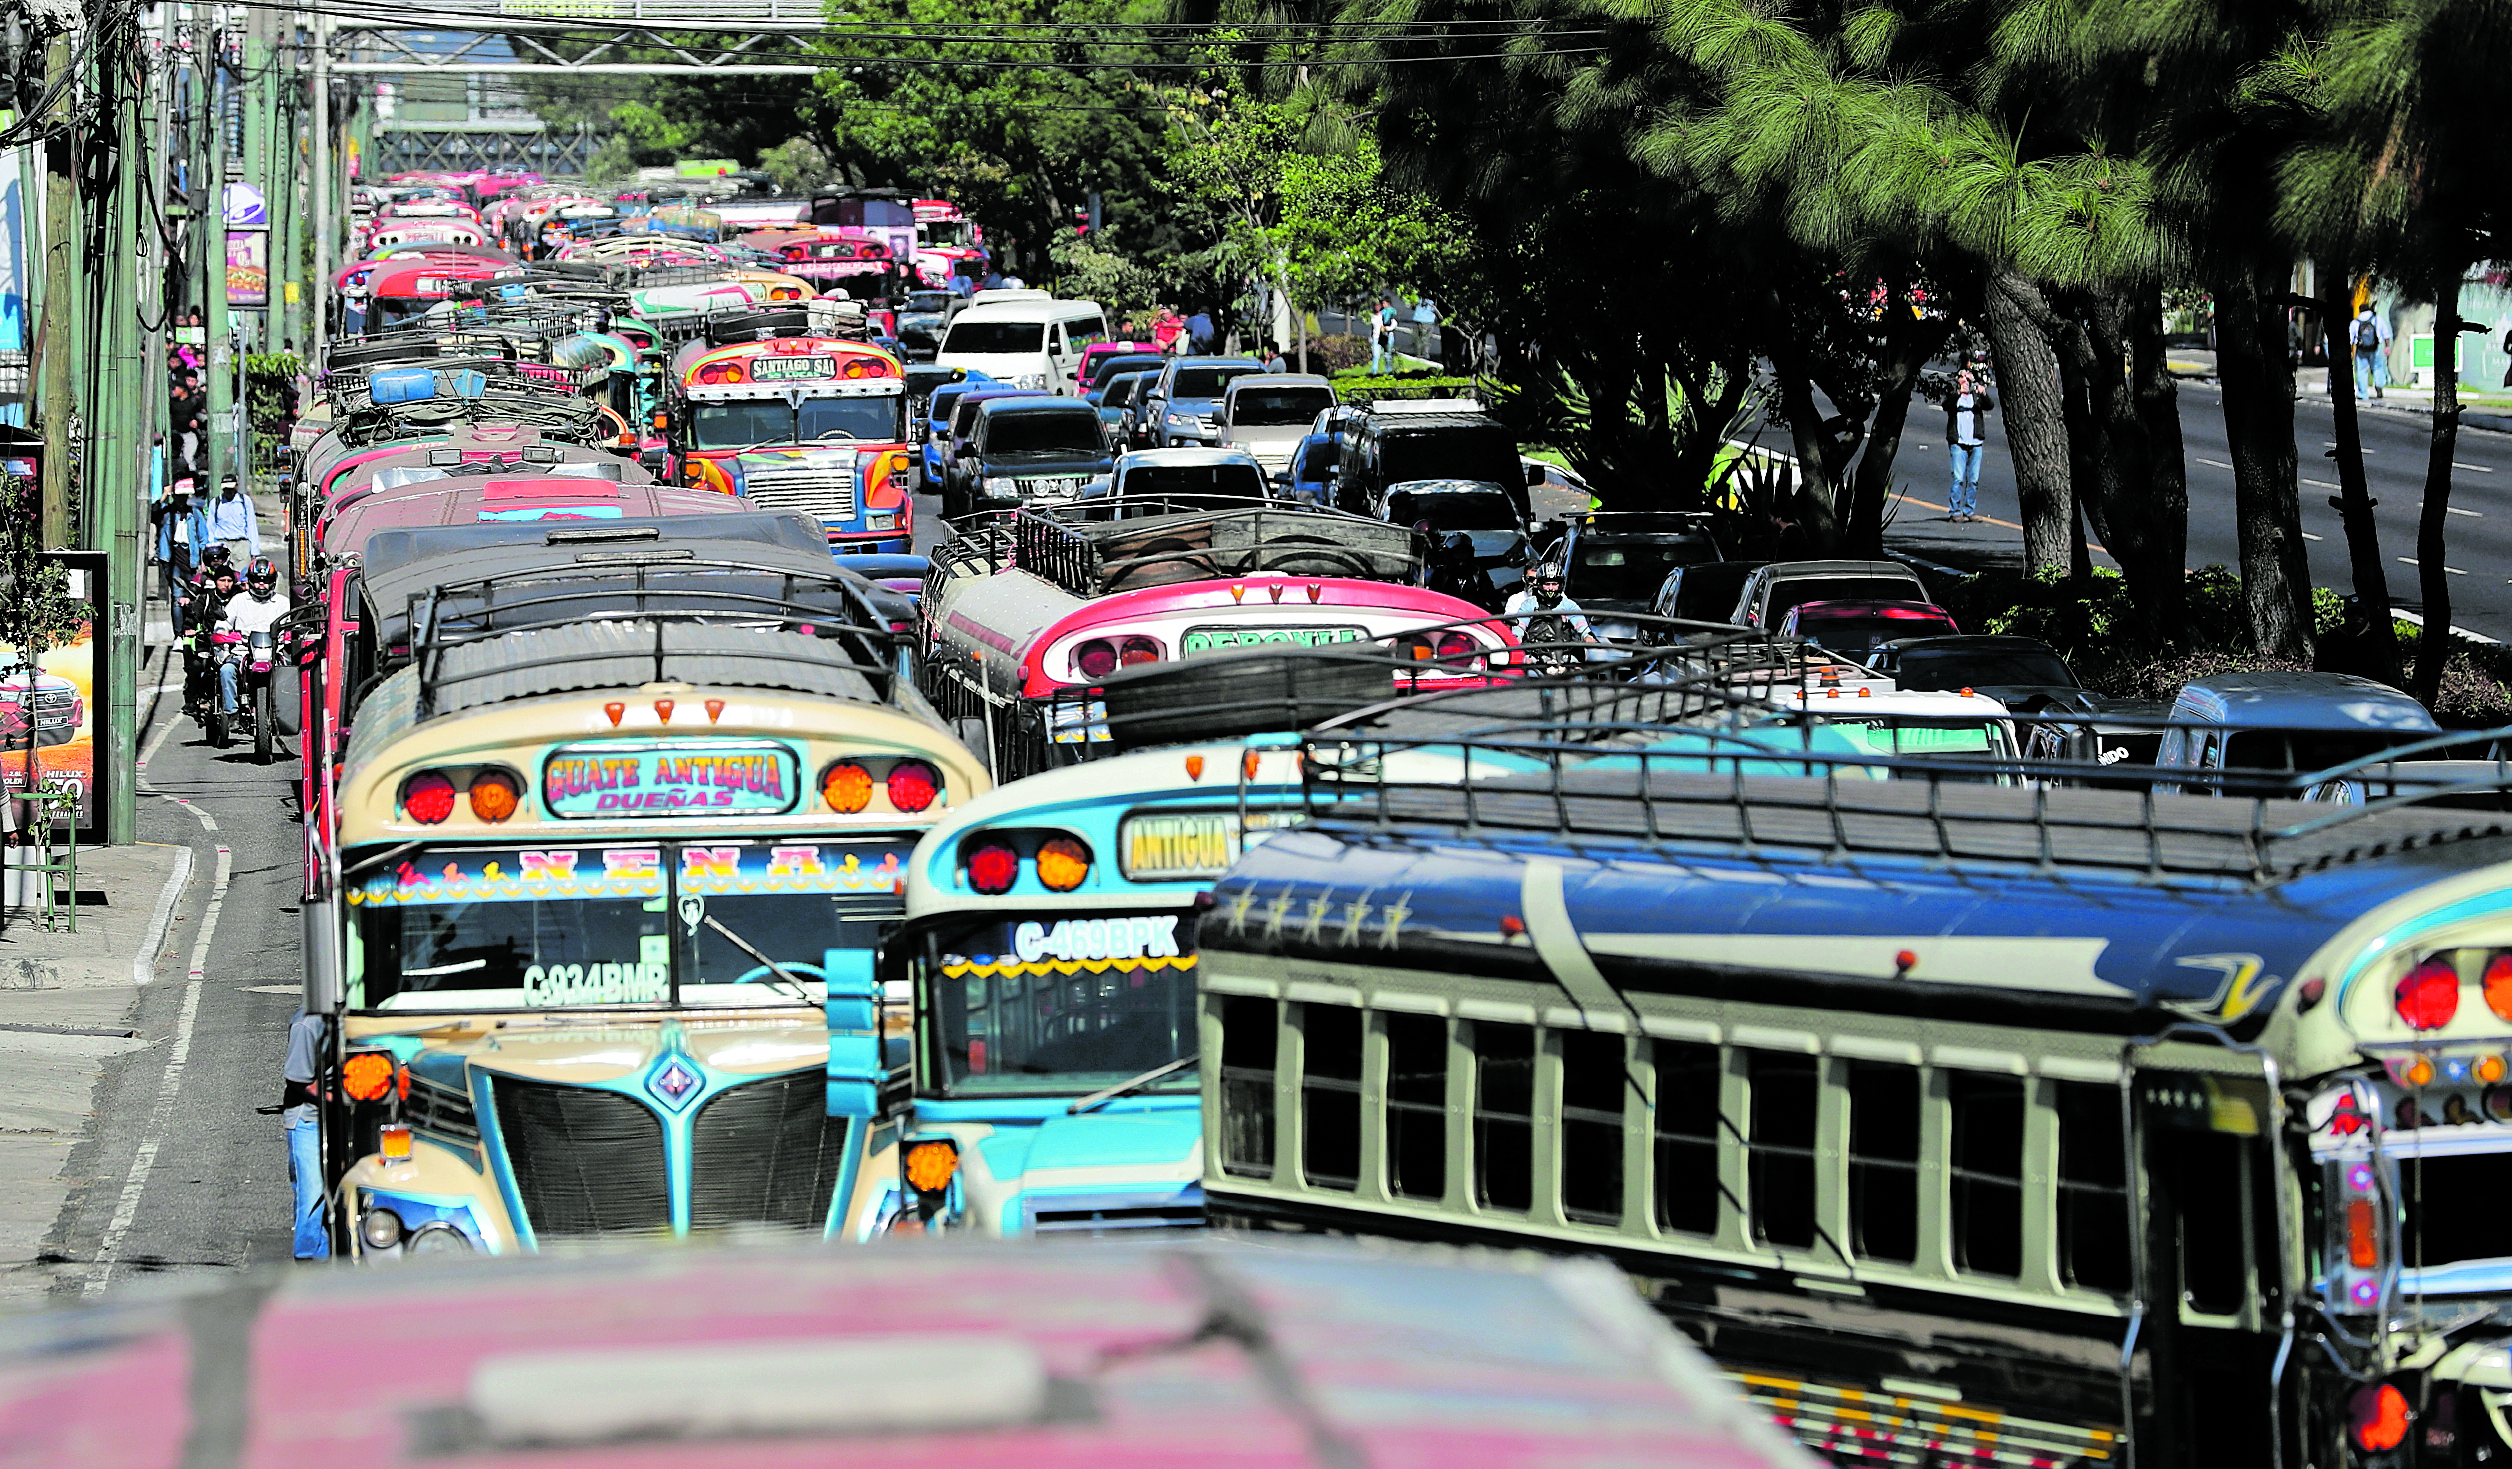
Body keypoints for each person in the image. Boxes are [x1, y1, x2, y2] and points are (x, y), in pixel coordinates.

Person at [281, 1008, 330, 1260]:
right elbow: (299, 1082)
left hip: (337, 1114)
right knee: (311, 1191)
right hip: (307, 1119)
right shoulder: (306, 1025)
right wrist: (339, 1098)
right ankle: (309, 1257)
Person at [217, 556, 290, 720]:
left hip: (273, 653)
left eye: (266, 580)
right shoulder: (238, 600)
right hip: (242, 652)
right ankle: (232, 713)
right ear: (250, 581)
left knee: (293, 672)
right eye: (257, 580)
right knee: (226, 670)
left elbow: (294, 626)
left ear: (273, 581)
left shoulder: (283, 603)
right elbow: (223, 623)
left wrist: (292, 635)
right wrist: (222, 633)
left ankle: (286, 712)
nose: (261, 584)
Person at [1502, 559, 1598, 672]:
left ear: (1561, 584)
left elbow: (1579, 622)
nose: (1551, 588)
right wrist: (1517, 638)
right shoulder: (1529, 604)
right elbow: (1521, 624)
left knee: (1578, 673)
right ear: (1540, 584)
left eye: (1554, 584)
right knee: (1524, 670)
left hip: (1564, 654)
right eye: (1547, 584)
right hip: (1535, 655)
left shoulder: (1568, 604)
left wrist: (1587, 636)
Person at [1943, 369, 1995, 522]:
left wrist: (1983, 393)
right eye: (1962, 377)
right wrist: (1959, 393)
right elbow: (1946, 405)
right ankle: (1954, 511)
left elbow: (1989, 405)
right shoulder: (1954, 396)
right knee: (1958, 478)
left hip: (1975, 442)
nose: (1965, 381)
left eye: (1968, 378)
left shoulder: (1976, 397)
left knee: (1973, 480)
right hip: (1958, 443)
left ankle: (1969, 510)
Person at [202, 476, 260, 564]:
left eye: (231, 488)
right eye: (226, 489)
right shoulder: (215, 502)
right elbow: (210, 527)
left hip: (241, 545)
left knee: (242, 575)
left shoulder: (245, 501)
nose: (228, 491)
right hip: (222, 544)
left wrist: (254, 551)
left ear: (236, 486)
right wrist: (210, 548)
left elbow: (251, 525)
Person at [1369, 296, 1398, 375]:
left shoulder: (1387, 313)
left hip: (1387, 337)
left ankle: (1389, 372)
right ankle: (1374, 372)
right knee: (1376, 356)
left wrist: (1386, 328)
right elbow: (1373, 327)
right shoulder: (1373, 316)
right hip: (1376, 337)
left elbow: (1394, 324)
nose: (1377, 307)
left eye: (1379, 305)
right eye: (1375, 305)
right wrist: (1371, 337)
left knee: (1387, 355)